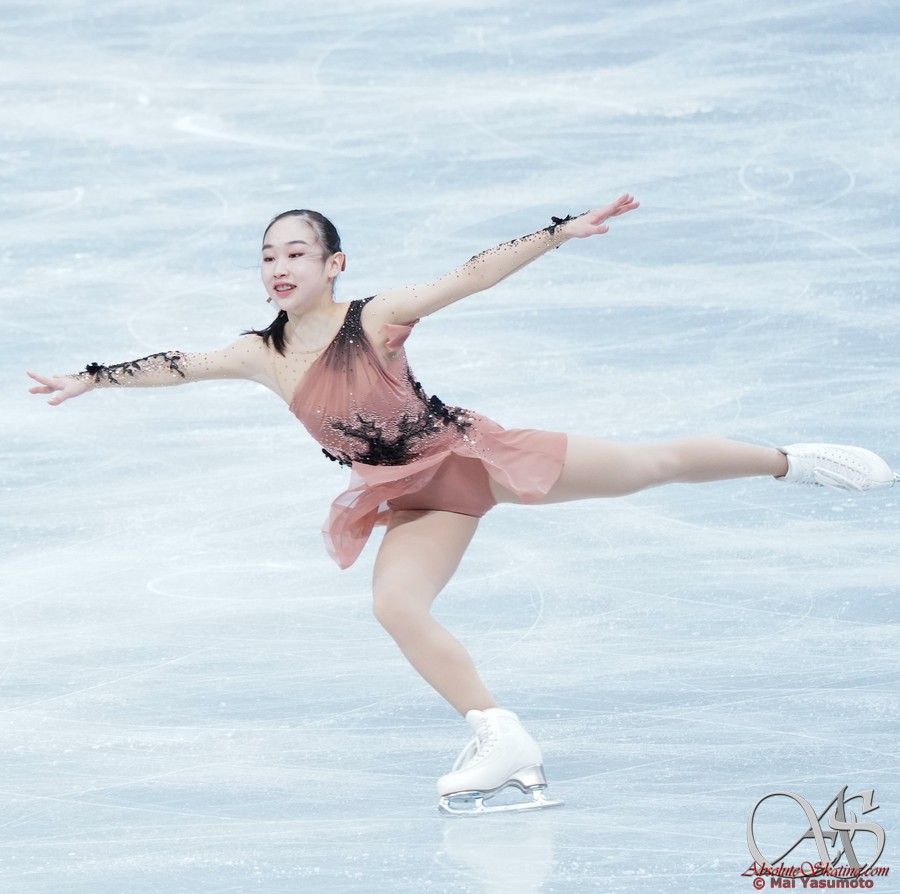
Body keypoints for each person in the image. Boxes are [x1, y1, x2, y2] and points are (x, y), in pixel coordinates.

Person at [27, 195, 898, 816]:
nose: (279, 267)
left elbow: (470, 276)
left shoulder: (376, 318)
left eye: (296, 253)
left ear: (334, 264)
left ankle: (795, 462)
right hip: (411, 498)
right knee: (395, 605)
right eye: (267, 256)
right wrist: (91, 379)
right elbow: (178, 365)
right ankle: (500, 734)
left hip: (472, 460)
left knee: (648, 465)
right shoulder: (262, 353)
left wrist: (557, 233)